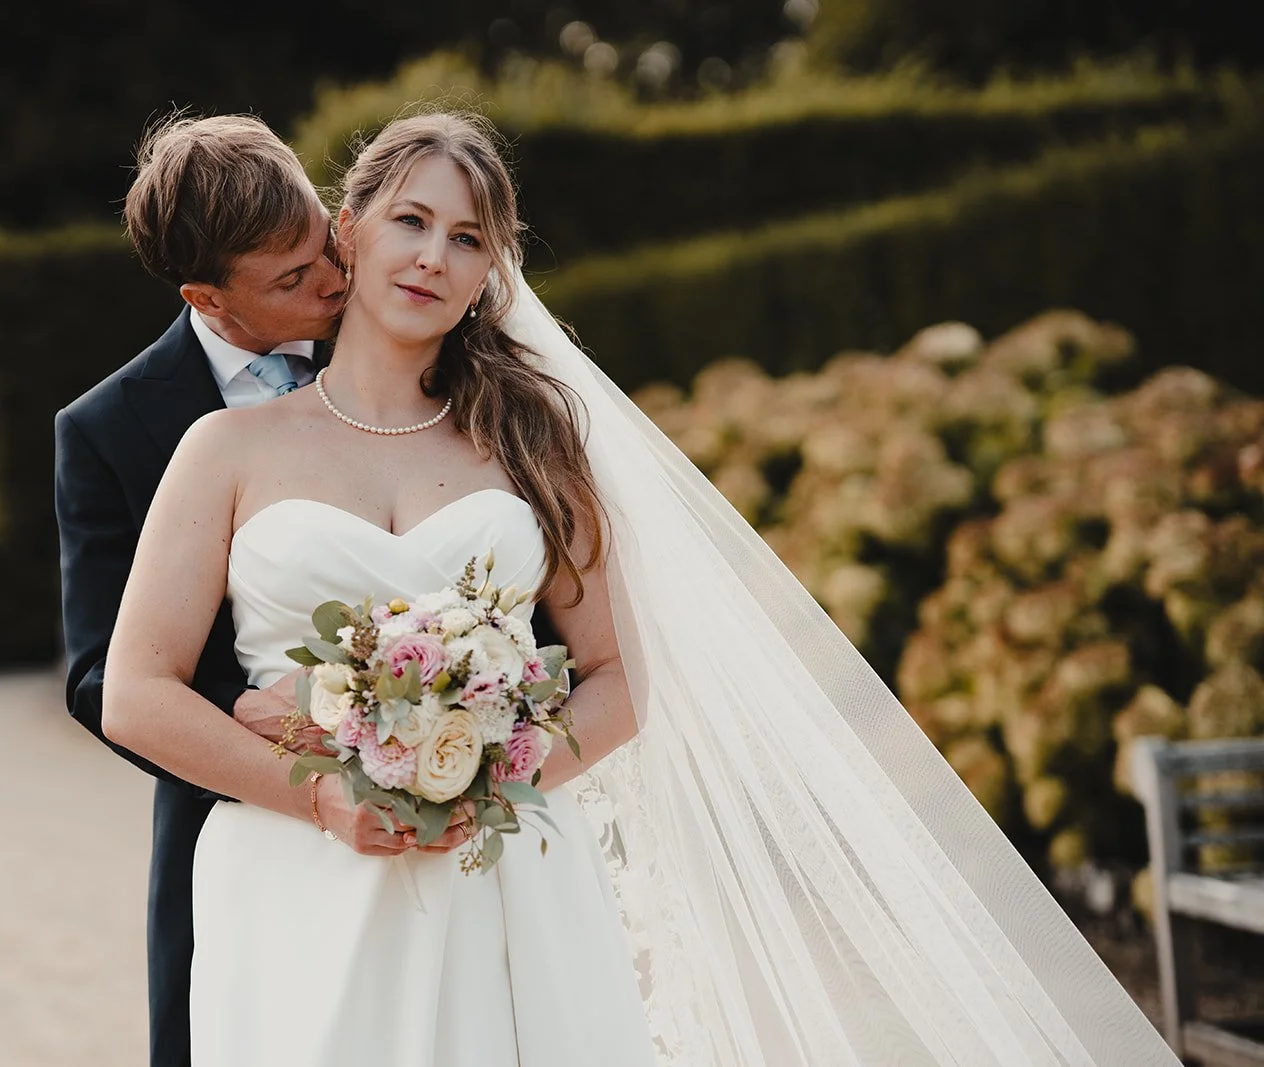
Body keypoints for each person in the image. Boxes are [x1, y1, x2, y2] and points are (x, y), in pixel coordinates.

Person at [101, 112, 1181, 1066]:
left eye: (469, 238)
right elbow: (136, 691)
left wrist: (481, 779)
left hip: (502, 876)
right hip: (294, 884)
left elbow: (616, 679)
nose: (434, 255)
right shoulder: (224, 449)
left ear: (492, 275)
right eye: (412, 221)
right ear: (348, 227)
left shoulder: (526, 442)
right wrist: (326, 795)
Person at [53, 114, 351, 1067]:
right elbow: (100, 673)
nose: (334, 283)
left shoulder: (401, 345)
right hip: (231, 814)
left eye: (325, 244)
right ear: (207, 297)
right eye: (293, 280)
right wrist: (269, 721)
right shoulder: (104, 429)